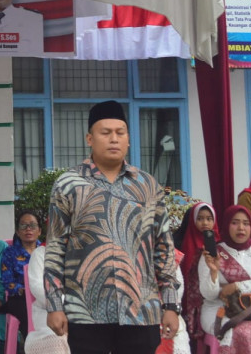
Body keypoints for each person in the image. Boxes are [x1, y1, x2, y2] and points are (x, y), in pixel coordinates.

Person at [44, 100, 180, 354]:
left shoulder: (148, 186)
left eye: (120, 133)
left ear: (128, 139)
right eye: (105, 133)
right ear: (89, 138)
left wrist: (171, 305)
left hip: (141, 311)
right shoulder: (68, 185)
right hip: (85, 312)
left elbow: (164, 248)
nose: (114, 139)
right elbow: (55, 248)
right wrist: (54, 305)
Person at [199, 204, 251, 353]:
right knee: (239, 333)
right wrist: (214, 273)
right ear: (226, 224)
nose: (241, 228)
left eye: (246, 223)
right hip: (219, 309)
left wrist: (237, 286)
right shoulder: (212, 253)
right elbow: (208, 295)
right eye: (235, 222)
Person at [173, 201, 219, 345]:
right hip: (189, 296)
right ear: (193, 220)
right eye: (200, 218)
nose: (204, 222)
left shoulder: (220, 244)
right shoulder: (183, 243)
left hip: (212, 297)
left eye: (209, 219)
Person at [0, 209, 42, 338]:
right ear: (17, 231)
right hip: (18, 298)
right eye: (23, 225)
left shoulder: (45, 252)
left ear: (39, 231)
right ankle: (33, 347)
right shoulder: (9, 253)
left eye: (33, 225)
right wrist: (24, 291)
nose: (28, 229)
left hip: (42, 297)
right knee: (28, 312)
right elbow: (7, 282)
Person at [23, 246, 70, 354]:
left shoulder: (87, 253)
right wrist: (69, 303)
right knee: (57, 339)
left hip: (84, 316)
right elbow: (38, 287)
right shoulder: (40, 253)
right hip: (47, 314)